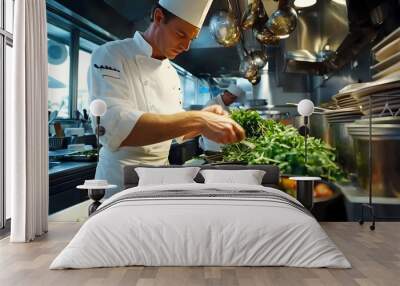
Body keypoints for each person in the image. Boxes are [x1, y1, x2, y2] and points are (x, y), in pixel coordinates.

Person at [88, 0, 246, 193]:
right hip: (120, 181)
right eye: (181, 34)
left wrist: (205, 119)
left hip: (161, 179)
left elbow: (175, 129)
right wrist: (199, 119)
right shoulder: (111, 54)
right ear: (159, 17)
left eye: (192, 38)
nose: (186, 46)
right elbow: (114, 127)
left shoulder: (171, 72)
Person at [199, 84, 246, 152]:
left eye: (234, 99)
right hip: (213, 142)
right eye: (232, 98)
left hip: (221, 141)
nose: (232, 101)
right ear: (226, 93)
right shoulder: (212, 104)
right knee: (216, 158)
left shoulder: (225, 105)